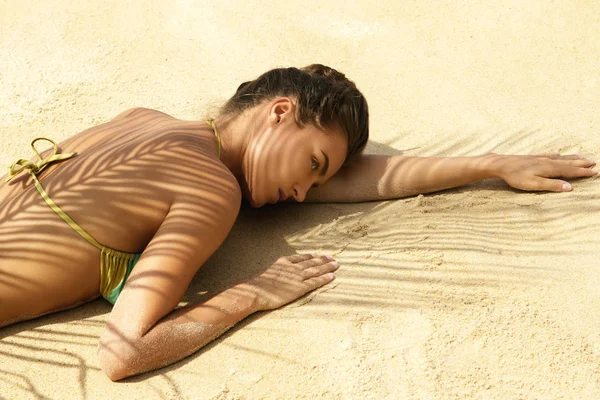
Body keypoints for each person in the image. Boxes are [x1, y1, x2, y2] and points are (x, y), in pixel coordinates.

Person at [0, 64, 595, 381]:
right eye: (313, 166)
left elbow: (335, 176)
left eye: (319, 181)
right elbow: (123, 353)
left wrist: (487, 164)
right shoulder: (210, 190)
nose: (305, 194)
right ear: (279, 111)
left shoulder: (140, 123)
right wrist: (253, 293)